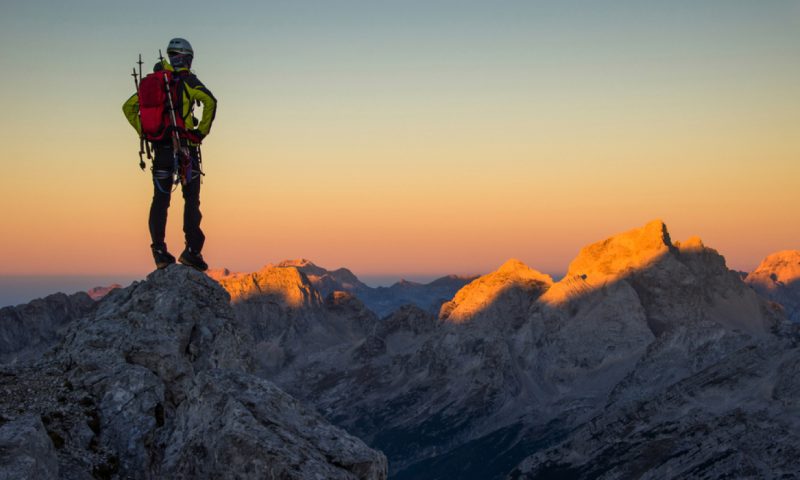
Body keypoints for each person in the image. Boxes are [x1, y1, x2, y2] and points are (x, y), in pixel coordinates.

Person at [122, 38, 217, 271]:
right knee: (191, 199)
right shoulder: (187, 81)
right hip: (185, 148)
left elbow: (129, 107)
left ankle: (159, 252)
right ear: (186, 58)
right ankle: (192, 251)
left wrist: (145, 131)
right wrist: (199, 133)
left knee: (160, 200)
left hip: (161, 149)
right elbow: (210, 101)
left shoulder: (153, 83)